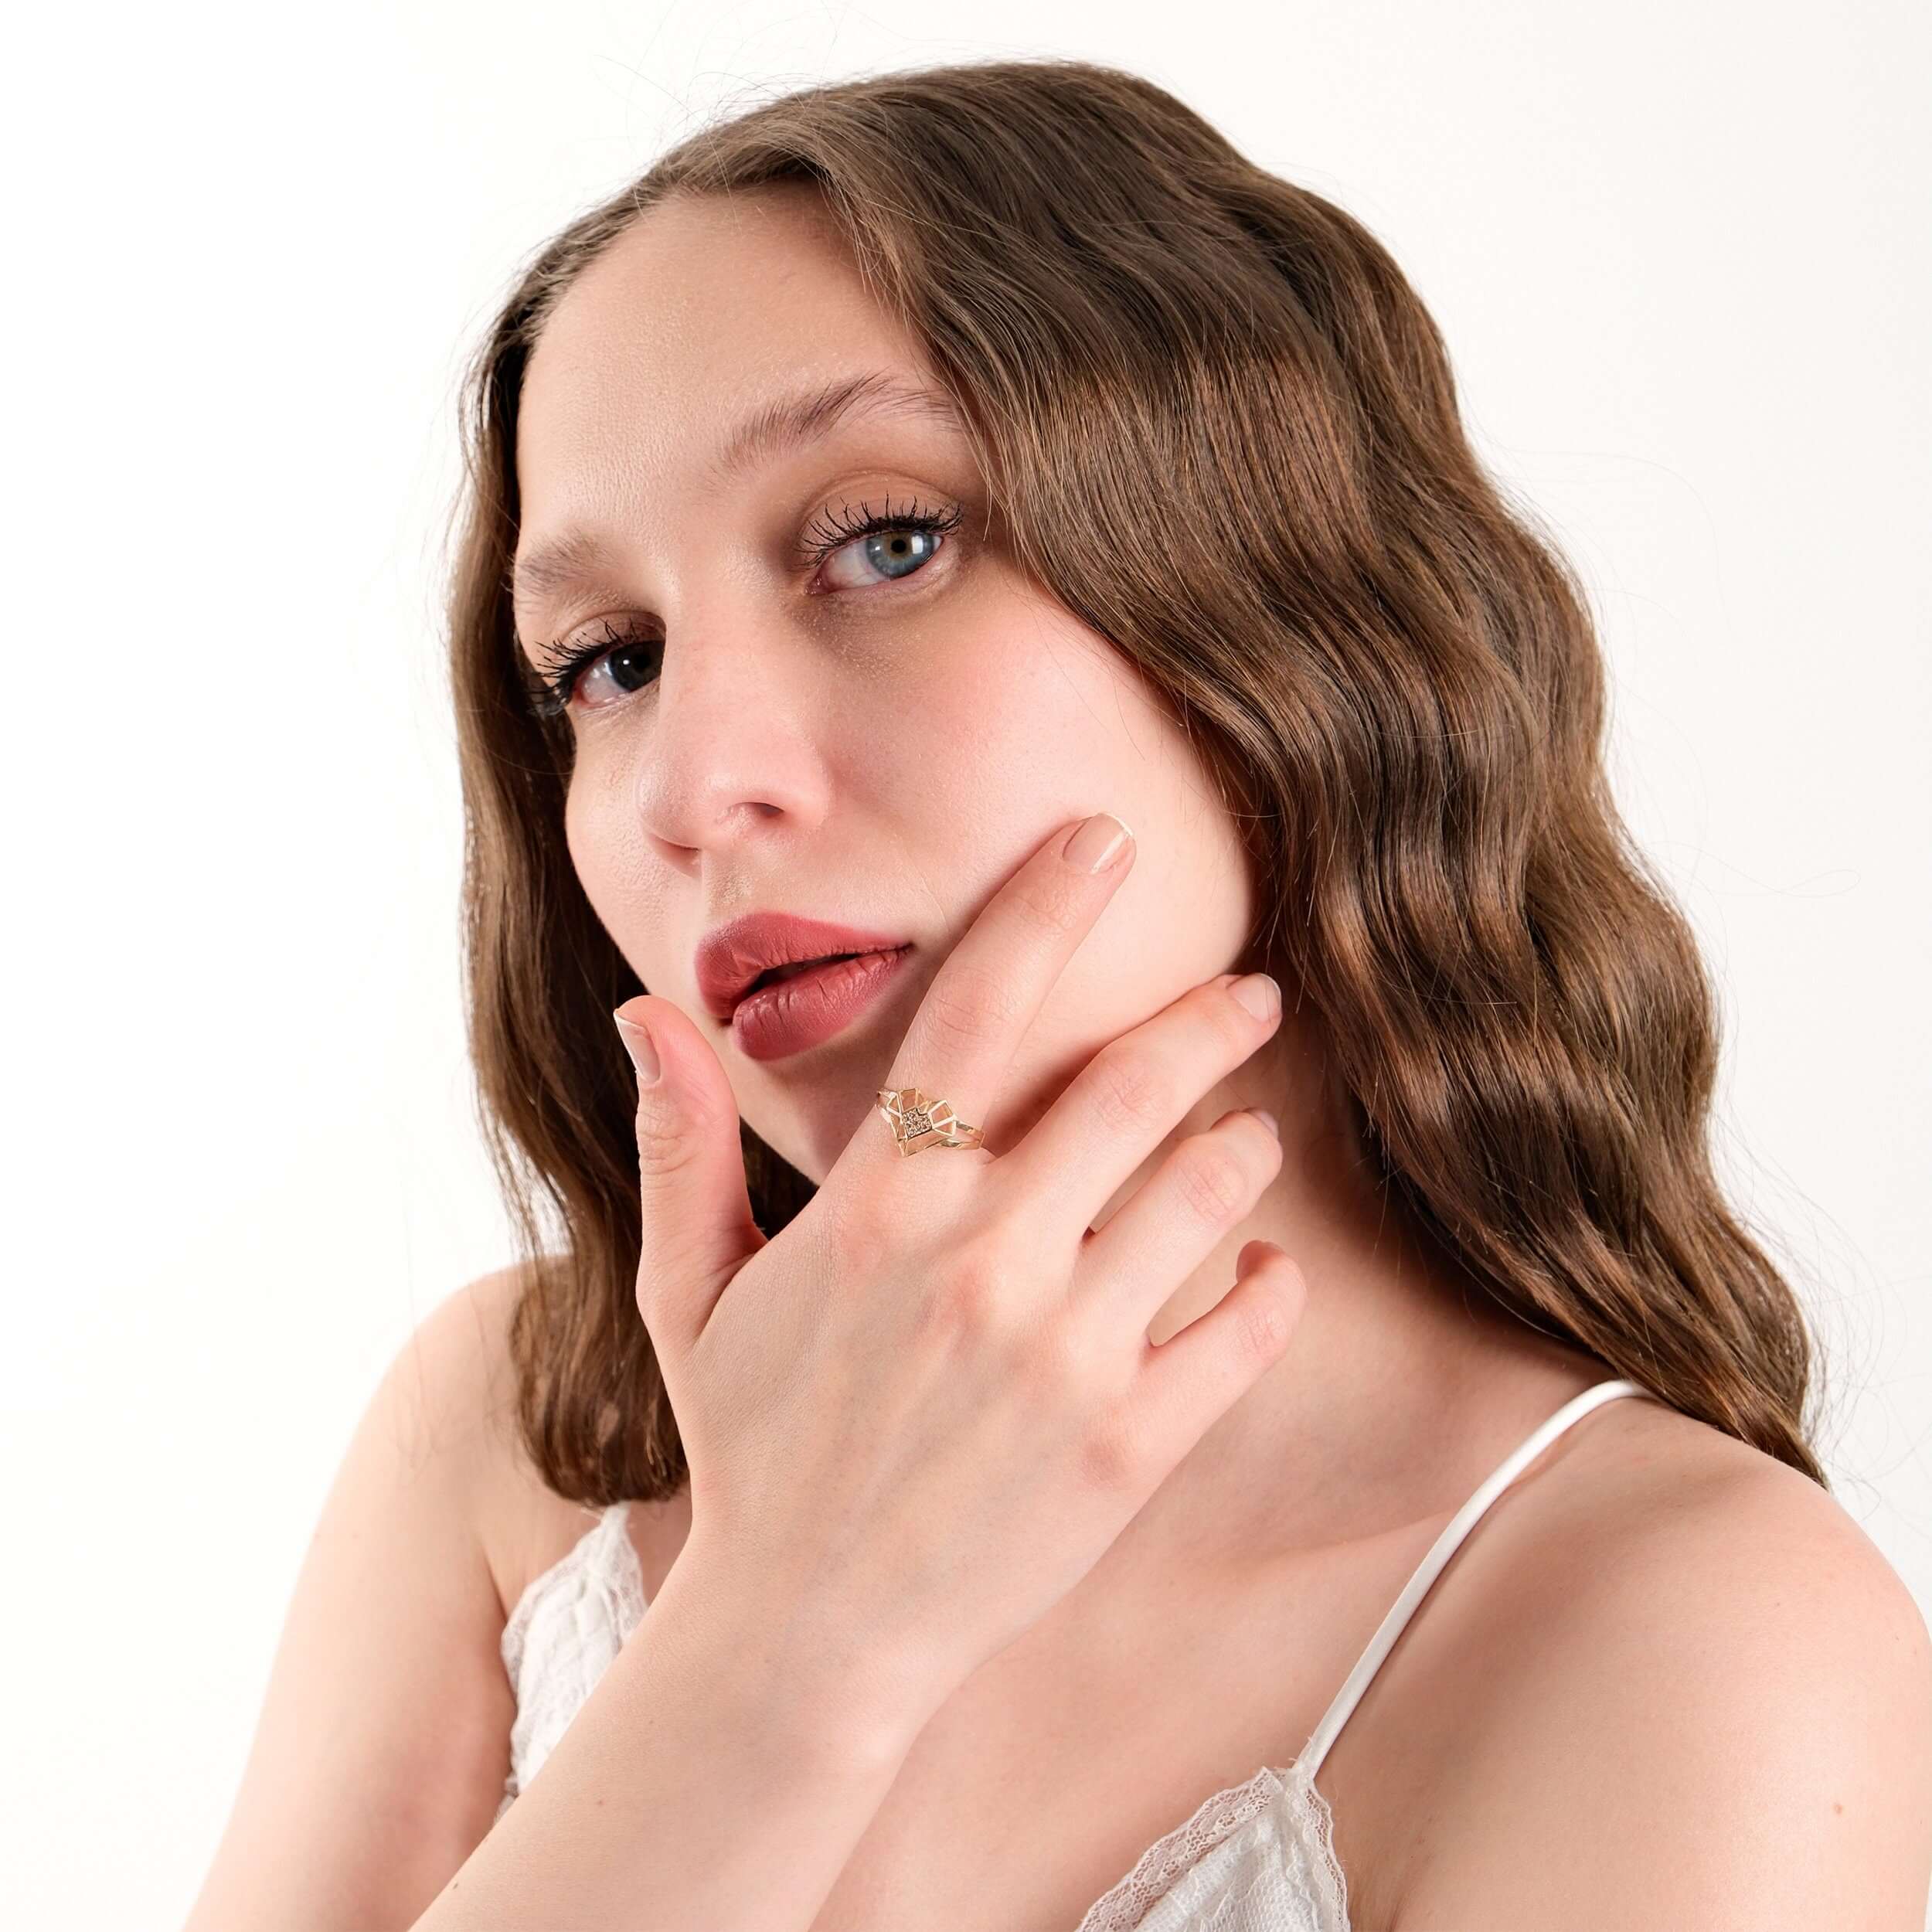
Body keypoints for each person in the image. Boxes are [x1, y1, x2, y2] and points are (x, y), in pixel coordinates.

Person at [181, 57, 1932, 1932]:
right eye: (608, 660)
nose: (695, 788)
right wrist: (785, 1626)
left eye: (887, 541)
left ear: (1289, 606)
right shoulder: (516, 1440)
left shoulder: (1689, 1629)